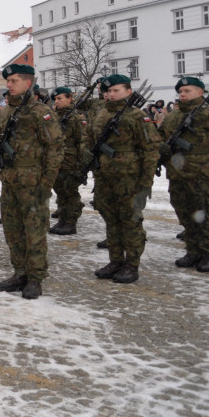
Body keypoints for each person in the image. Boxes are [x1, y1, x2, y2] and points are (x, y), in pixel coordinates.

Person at [0, 65, 63, 299]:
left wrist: (46, 183)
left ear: (27, 83)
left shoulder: (40, 112)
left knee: (34, 231)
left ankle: (35, 277)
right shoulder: (6, 111)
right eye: (7, 81)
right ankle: (19, 272)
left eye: (13, 80)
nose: (8, 85)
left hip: (33, 181)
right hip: (10, 179)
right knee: (12, 229)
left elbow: (55, 149)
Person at [82, 74, 160, 283]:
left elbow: (150, 151)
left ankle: (131, 265)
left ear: (128, 92)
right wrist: (86, 151)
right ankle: (115, 260)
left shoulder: (137, 116)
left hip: (129, 180)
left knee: (130, 222)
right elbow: (87, 138)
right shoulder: (99, 115)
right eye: (107, 91)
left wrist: (145, 183)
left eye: (115, 90)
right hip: (104, 178)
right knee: (111, 221)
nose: (110, 95)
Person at [159, 76, 209, 273]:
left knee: (205, 215)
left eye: (188, 91)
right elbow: (160, 138)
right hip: (178, 175)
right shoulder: (173, 116)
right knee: (185, 214)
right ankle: (192, 250)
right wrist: (160, 148)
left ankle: (208, 254)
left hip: (203, 175)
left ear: (200, 92)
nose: (183, 94)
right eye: (180, 91)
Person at [49, 86, 86, 236]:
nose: (57, 102)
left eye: (60, 98)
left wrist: (81, 164)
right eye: (56, 99)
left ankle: (71, 222)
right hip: (57, 161)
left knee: (70, 192)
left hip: (71, 162)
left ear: (70, 98)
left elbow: (82, 141)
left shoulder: (76, 118)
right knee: (60, 192)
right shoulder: (54, 117)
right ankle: (62, 219)